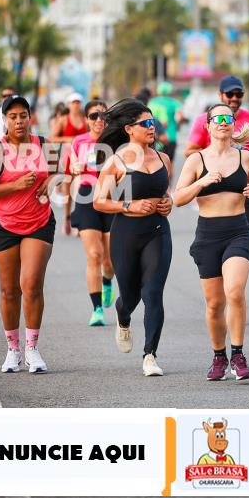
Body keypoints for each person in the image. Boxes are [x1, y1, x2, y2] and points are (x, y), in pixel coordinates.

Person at [174, 103, 249, 381]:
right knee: (214, 304)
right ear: (208, 125)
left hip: (238, 230)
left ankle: (238, 355)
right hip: (208, 234)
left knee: (234, 292)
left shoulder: (245, 157)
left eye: (228, 118)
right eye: (217, 118)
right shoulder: (196, 160)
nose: (223, 122)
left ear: (234, 124)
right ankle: (219, 356)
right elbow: (178, 198)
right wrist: (201, 183)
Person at [0, 95, 60, 374]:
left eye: (23, 115)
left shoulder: (44, 145)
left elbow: (61, 172)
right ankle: (13, 350)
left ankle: (32, 348)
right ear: (5, 121)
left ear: (30, 117)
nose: (19, 121)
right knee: (9, 290)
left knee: (31, 284)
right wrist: (16, 185)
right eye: (13, 117)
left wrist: (52, 180)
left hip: (39, 222)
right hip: (5, 224)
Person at [93, 99, 173, 377]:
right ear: (129, 129)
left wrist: (168, 202)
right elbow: (99, 201)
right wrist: (129, 205)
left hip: (158, 231)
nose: (152, 127)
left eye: (154, 123)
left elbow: (165, 192)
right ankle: (123, 315)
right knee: (130, 296)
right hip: (126, 233)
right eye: (146, 123)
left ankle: (150, 355)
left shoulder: (163, 159)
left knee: (153, 292)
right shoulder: (116, 162)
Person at [184, 76, 249, 229]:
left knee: (245, 239)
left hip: (242, 187)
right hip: (215, 187)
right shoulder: (204, 120)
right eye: (230, 94)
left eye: (239, 94)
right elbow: (189, 151)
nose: (234, 98)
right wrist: (218, 153)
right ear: (220, 95)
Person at [69, 99, 116, 327]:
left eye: (103, 115)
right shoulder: (79, 141)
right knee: (94, 255)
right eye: (93, 116)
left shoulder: (116, 140)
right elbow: (72, 165)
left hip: (111, 196)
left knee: (110, 260)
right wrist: (75, 167)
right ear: (86, 120)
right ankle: (97, 309)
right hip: (87, 197)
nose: (99, 120)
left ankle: (107, 280)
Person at [51, 93, 88, 236]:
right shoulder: (63, 120)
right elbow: (53, 137)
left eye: (78, 102)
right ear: (69, 104)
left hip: (82, 157)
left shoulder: (85, 120)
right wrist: (70, 139)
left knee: (80, 190)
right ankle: (67, 218)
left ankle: (78, 221)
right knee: (68, 191)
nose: (76, 105)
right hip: (67, 157)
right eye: (73, 102)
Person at [149, 82, 185, 162]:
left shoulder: (152, 102)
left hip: (154, 137)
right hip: (170, 136)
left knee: (155, 163)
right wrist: (178, 125)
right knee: (168, 163)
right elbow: (180, 118)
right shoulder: (174, 102)